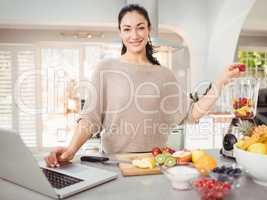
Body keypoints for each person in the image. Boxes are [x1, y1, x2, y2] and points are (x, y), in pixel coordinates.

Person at [45, 4, 241, 167]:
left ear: (148, 30)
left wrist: (220, 82)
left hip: (157, 162)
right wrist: (70, 150)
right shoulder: (105, 69)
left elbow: (192, 114)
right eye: (127, 29)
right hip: (115, 163)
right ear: (120, 32)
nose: (134, 35)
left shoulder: (165, 74)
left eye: (140, 27)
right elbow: (89, 118)